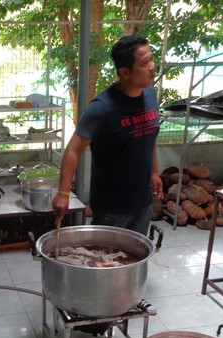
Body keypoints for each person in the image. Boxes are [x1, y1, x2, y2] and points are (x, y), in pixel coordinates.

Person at [52, 34, 163, 320]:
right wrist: (64, 192)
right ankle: (95, 312)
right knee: (102, 261)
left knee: (133, 260)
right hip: (112, 204)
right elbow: (74, 149)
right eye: (145, 62)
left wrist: (153, 173)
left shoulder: (151, 96)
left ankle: (123, 303)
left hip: (142, 199)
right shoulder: (102, 107)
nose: (152, 66)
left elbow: (149, 139)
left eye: (151, 59)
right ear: (124, 72)